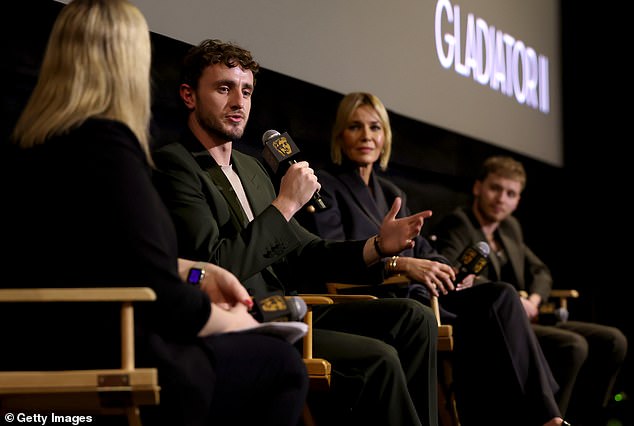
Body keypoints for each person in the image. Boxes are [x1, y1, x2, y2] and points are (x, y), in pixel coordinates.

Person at [2, 1, 309, 425]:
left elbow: (120, 260)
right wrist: (232, 321)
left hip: (54, 339)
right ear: (128, 63)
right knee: (279, 363)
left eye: (246, 90)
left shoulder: (35, 140)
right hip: (107, 344)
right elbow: (153, 286)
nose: (238, 100)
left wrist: (199, 273)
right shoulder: (108, 147)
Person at [151, 39, 439, 426]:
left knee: (415, 318)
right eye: (224, 88)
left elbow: (306, 252)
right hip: (245, 320)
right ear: (189, 95)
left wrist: (376, 247)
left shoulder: (253, 168)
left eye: (247, 91)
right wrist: (285, 205)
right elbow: (217, 264)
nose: (239, 102)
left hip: (291, 309)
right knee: (379, 358)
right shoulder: (176, 165)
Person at [296, 92, 573, 426]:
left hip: (423, 292)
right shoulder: (327, 186)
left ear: (385, 138)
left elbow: (424, 247)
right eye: (355, 127)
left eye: (375, 127)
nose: (366, 136)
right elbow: (333, 256)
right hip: (378, 296)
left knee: (500, 294)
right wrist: (399, 264)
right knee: (487, 312)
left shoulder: (389, 191)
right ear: (340, 135)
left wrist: (448, 268)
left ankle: (546, 416)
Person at [433, 155, 628, 426]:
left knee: (613, 340)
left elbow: (541, 272)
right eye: (495, 188)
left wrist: (533, 300)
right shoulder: (458, 223)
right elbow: (452, 273)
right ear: (478, 187)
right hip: (493, 321)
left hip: (524, 314)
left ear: (518, 200)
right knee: (573, 346)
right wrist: (514, 298)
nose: (501, 198)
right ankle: (550, 420)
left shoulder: (509, 228)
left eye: (510, 193)